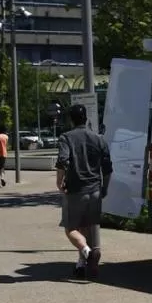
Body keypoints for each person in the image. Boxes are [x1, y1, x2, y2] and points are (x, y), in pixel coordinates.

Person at [55, 104, 112, 279]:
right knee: (91, 225)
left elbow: (63, 161)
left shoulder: (66, 138)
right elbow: (108, 168)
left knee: (71, 228)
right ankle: (86, 262)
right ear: (86, 118)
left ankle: (87, 252)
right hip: (95, 189)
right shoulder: (99, 138)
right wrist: (104, 188)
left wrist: (59, 182)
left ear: (71, 119)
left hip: (75, 190)